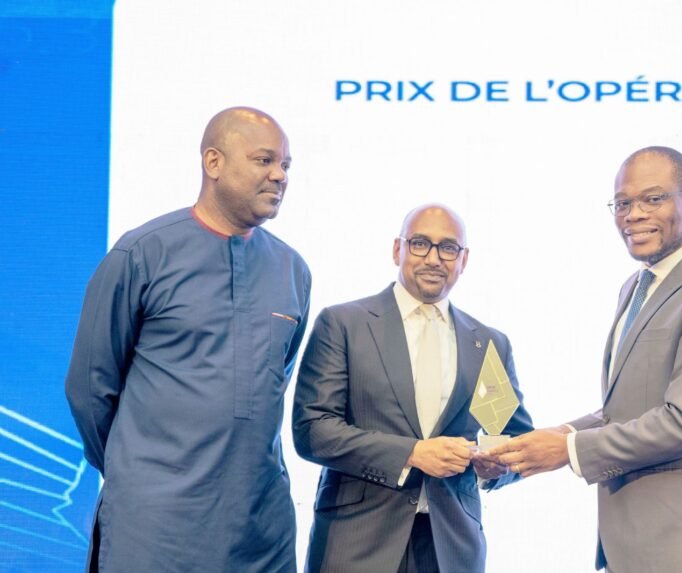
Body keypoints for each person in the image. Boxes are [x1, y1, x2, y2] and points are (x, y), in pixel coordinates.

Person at [492, 146, 682, 573]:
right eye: (622, 204)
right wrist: (553, 437)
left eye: (652, 199)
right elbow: (630, 408)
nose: (633, 215)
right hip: (636, 544)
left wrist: (567, 449)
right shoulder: (636, 287)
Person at [65, 107, 311, 573]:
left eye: (286, 165)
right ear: (213, 162)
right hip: (154, 529)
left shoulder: (292, 269)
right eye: (264, 160)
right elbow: (90, 389)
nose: (279, 175)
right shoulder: (142, 254)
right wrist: (140, 468)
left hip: (260, 532)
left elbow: (271, 385)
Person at [292, 204, 534, 573]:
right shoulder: (344, 324)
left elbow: (513, 438)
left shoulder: (487, 344)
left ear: (464, 259)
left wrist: (494, 466)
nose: (433, 258)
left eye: (448, 248)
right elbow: (313, 431)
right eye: (420, 243)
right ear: (397, 249)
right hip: (357, 544)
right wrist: (412, 453)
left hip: (451, 550)